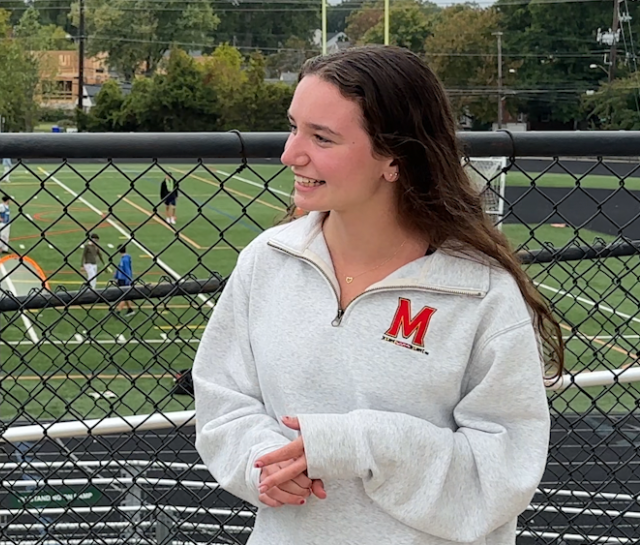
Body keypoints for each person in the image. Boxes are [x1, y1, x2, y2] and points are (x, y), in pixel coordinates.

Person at [193, 46, 562, 545]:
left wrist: (358, 444)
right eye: (293, 127)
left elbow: (501, 473)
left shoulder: (480, 293)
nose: (289, 154)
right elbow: (224, 398)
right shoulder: (267, 260)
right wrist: (261, 461)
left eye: (322, 138)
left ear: (394, 158)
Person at [112, 244, 135, 315]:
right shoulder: (124, 259)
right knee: (124, 295)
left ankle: (118, 311)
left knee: (123, 296)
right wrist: (116, 277)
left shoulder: (124, 260)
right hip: (121, 279)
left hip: (124, 280)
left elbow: (127, 270)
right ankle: (130, 309)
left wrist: (128, 280)